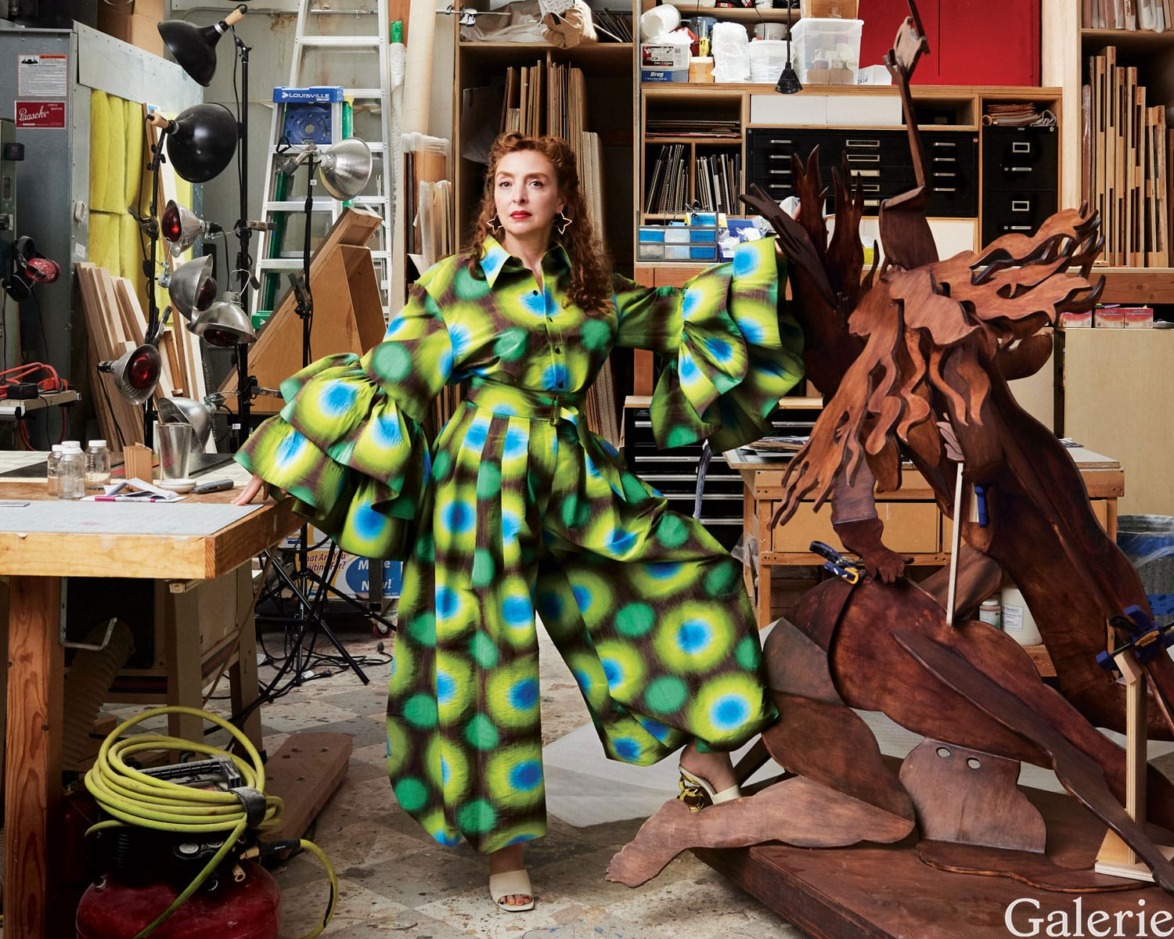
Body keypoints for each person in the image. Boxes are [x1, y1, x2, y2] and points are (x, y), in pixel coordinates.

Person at [233, 133, 804, 912]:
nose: (520, 197)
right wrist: (279, 466)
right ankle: (502, 844)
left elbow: (680, 320)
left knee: (691, 567)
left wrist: (770, 268)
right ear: (491, 198)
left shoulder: (594, 291)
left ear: (563, 200)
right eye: (506, 183)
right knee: (485, 659)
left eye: (536, 183)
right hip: (479, 480)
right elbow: (385, 381)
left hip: (573, 467)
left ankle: (706, 749)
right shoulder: (453, 287)